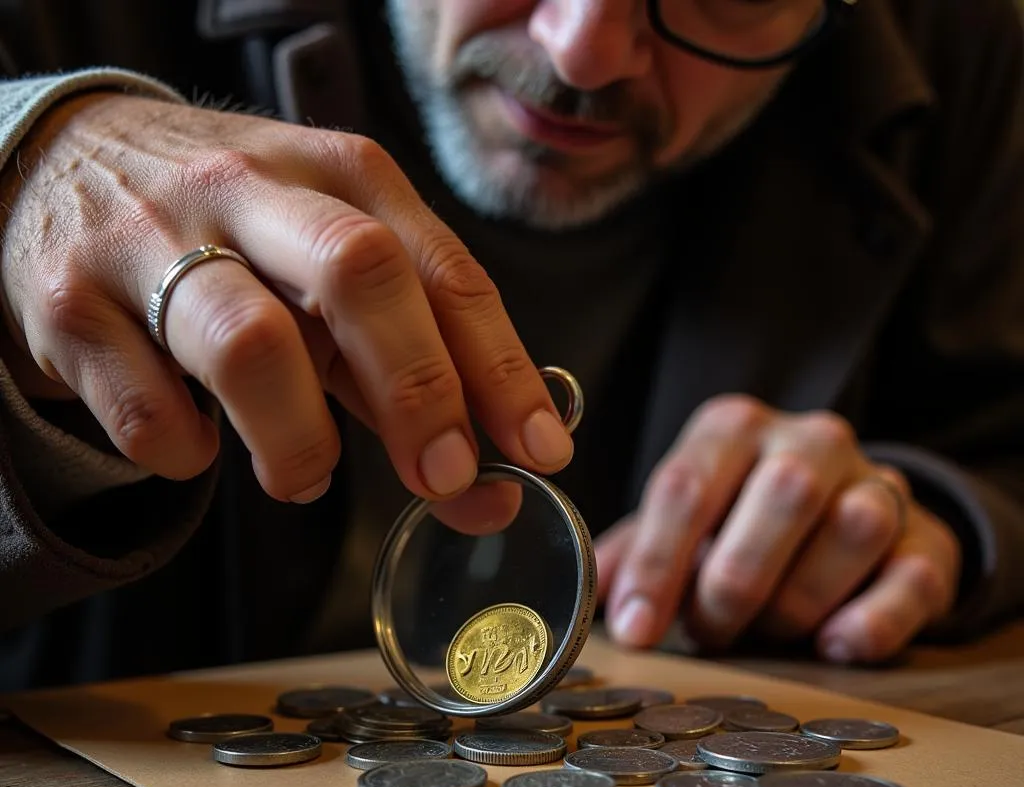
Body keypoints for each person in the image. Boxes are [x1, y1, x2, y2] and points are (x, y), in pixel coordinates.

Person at [0, 0, 1020, 691]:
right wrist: (17, 163)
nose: (581, 50)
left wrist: (925, 511)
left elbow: (1000, 439)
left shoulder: (964, 50)